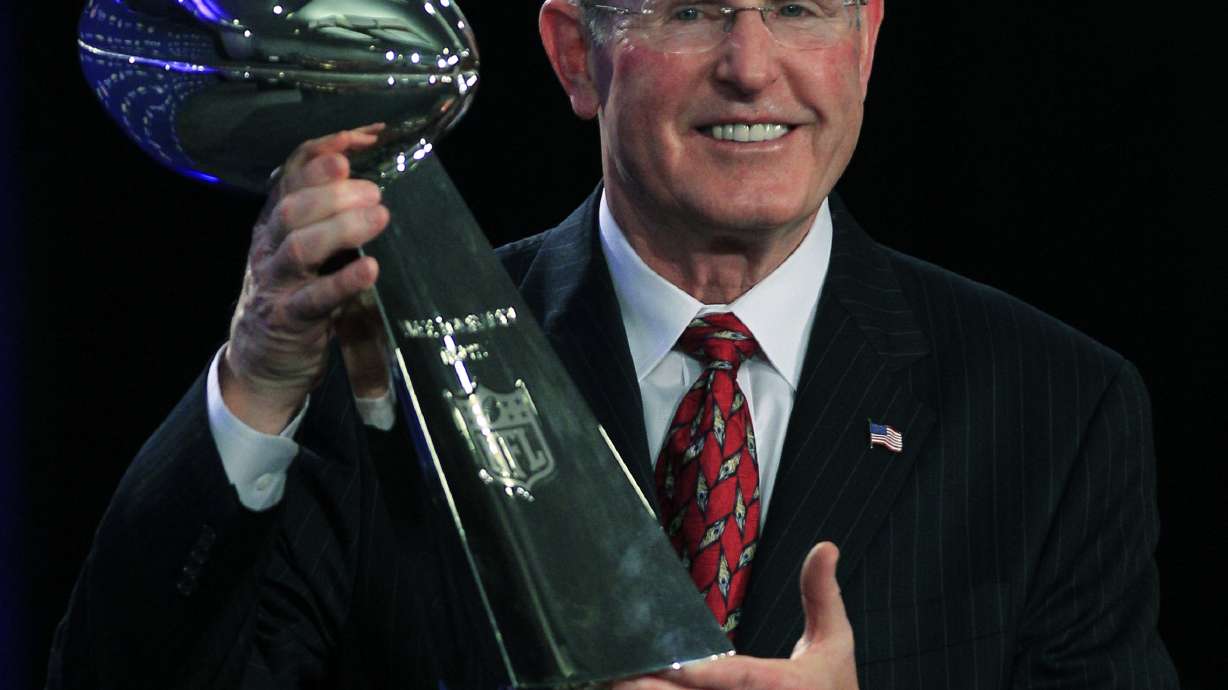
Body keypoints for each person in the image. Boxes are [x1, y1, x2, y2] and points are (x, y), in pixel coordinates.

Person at [48, 1, 1179, 688]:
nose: (749, 63)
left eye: (797, 7)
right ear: (574, 55)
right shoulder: (378, 362)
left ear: (867, 43)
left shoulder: (1055, 408)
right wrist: (255, 381)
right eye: (687, 10)